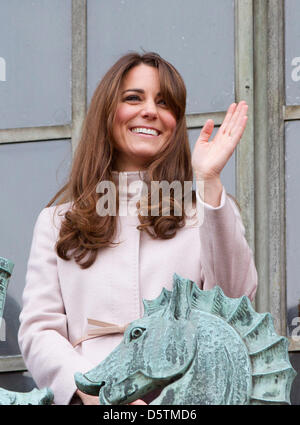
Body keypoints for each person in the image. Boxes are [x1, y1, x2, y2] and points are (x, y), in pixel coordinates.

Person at [18, 52, 257, 405]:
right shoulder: (57, 222)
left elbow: (234, 308)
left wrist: (207, 181)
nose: (150, 111)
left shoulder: (206, 210)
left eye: (164, 103)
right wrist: (89, 391)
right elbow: (39, 329)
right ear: (107, 112)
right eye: (134, 98)